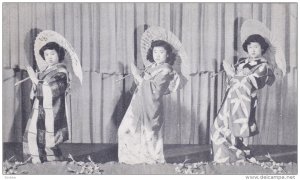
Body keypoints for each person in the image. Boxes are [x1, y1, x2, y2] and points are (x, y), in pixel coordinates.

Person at [210, 34, 275, 163]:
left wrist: (241, 76)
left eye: (256, 47)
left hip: (246, 99)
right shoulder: (241, 61)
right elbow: (232, 80)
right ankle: (226, 156)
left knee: (243, 125)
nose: (252, 50)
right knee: (222, 124)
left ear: (262, 49)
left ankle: (243, 154)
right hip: (232, 97)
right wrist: (229, 72)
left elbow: (256, 82)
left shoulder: (263, 65)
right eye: (250, 47)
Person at [118, 40, 179, 164]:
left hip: (151, 106)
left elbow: (156, 90)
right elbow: (141, 85)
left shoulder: (166, 70)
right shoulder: (152, 67)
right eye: (155, 51)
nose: (157, 55)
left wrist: (137, 76)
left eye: (161, 52)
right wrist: (139, 76)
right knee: (125, 131)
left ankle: (148, 161)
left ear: (167, 55)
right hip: (138, 103)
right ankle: (133, 159)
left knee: (148, 134)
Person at [23, 42, 70, 163]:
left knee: (49, 136)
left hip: (53, 108)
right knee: (34, 132)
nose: (49, 57)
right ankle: (35, 158)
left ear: (58, 54)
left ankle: (51, 159)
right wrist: (35, 83)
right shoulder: (45, 70)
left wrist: (35, 80)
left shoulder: (61, 71)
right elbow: (39, 89)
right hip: (40, 106)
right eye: (46, 54)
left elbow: (51, 89)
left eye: (52, 54)